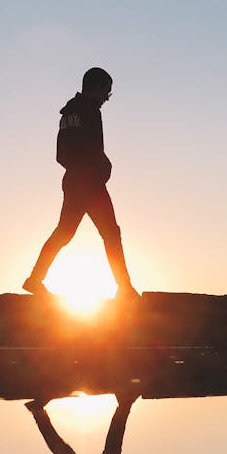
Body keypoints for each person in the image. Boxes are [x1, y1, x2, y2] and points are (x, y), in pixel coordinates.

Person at [22, 67, 141, 301]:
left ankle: (34, 279)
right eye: (106, 92)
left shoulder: (68, 114)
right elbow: (94, 150)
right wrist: (101, 168)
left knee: (64, 233)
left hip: (74, 182)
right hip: (90, 184)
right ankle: (125, 288)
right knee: (110, 234)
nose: (107, 98)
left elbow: (61, 155)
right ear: (95, 87)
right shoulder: (90, 112)